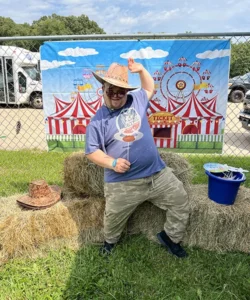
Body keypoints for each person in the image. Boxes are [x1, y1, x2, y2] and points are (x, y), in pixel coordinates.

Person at [85, 58, 189, 258]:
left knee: (180, 201)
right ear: (103, 89)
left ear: (127, 92)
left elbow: (149, 87)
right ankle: (110, 243)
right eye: (111, 90)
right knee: (113, 219)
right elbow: (92, 151)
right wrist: (112, 163)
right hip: (123, 182)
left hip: (158, 175)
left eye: (121, 91)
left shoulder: (137, 100)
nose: (116, 95)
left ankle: (170, 237)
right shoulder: (97, 121)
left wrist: (141, 70)